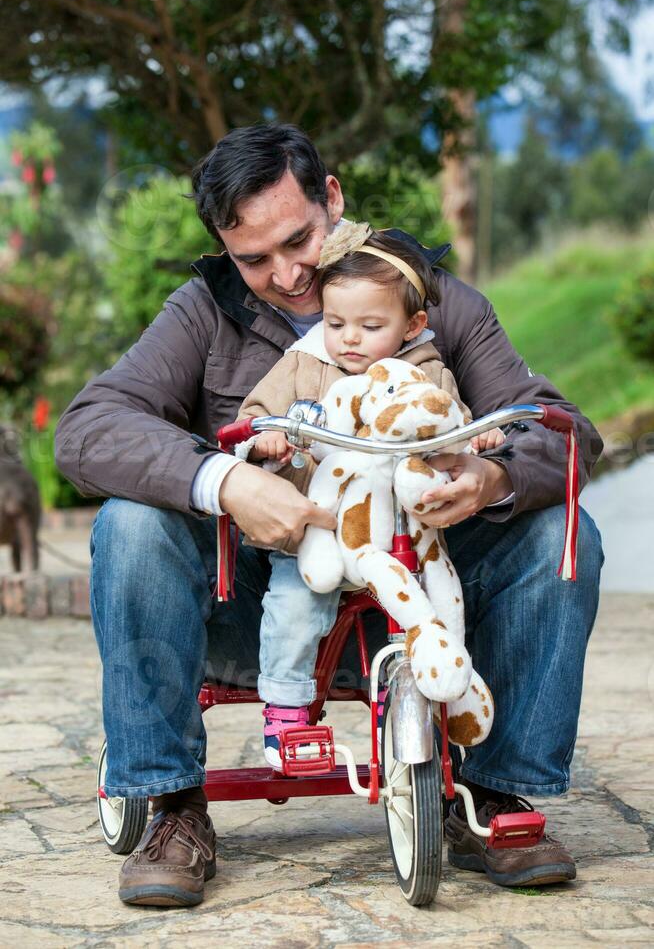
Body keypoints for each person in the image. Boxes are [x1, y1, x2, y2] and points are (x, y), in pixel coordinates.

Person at [55, 124, 604, 907]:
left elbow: (565, 428)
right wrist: (224, 481)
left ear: (333, 197)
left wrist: (489, 476)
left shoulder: (431, 299)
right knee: (131, 525)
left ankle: (493, 794)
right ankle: (172, 805)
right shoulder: (204, 313)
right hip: (265, 605)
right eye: (253, 259)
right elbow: (86, 428)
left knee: (562, 532)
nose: (285, 275)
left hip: (417, 599)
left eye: (299, 240)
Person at [234, 222, 505, 768]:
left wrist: (481, 437)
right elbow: (253, 413)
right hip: (323, 530)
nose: (349, 338)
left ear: (413, 325)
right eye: (336, 323)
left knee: (445, 603)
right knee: (295, 605)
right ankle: (286, 710)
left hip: (404, 532)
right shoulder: (305, 362)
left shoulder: (426, 372)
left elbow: (449, 423)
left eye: (370, 325)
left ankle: (448, 694)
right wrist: (266, 435)